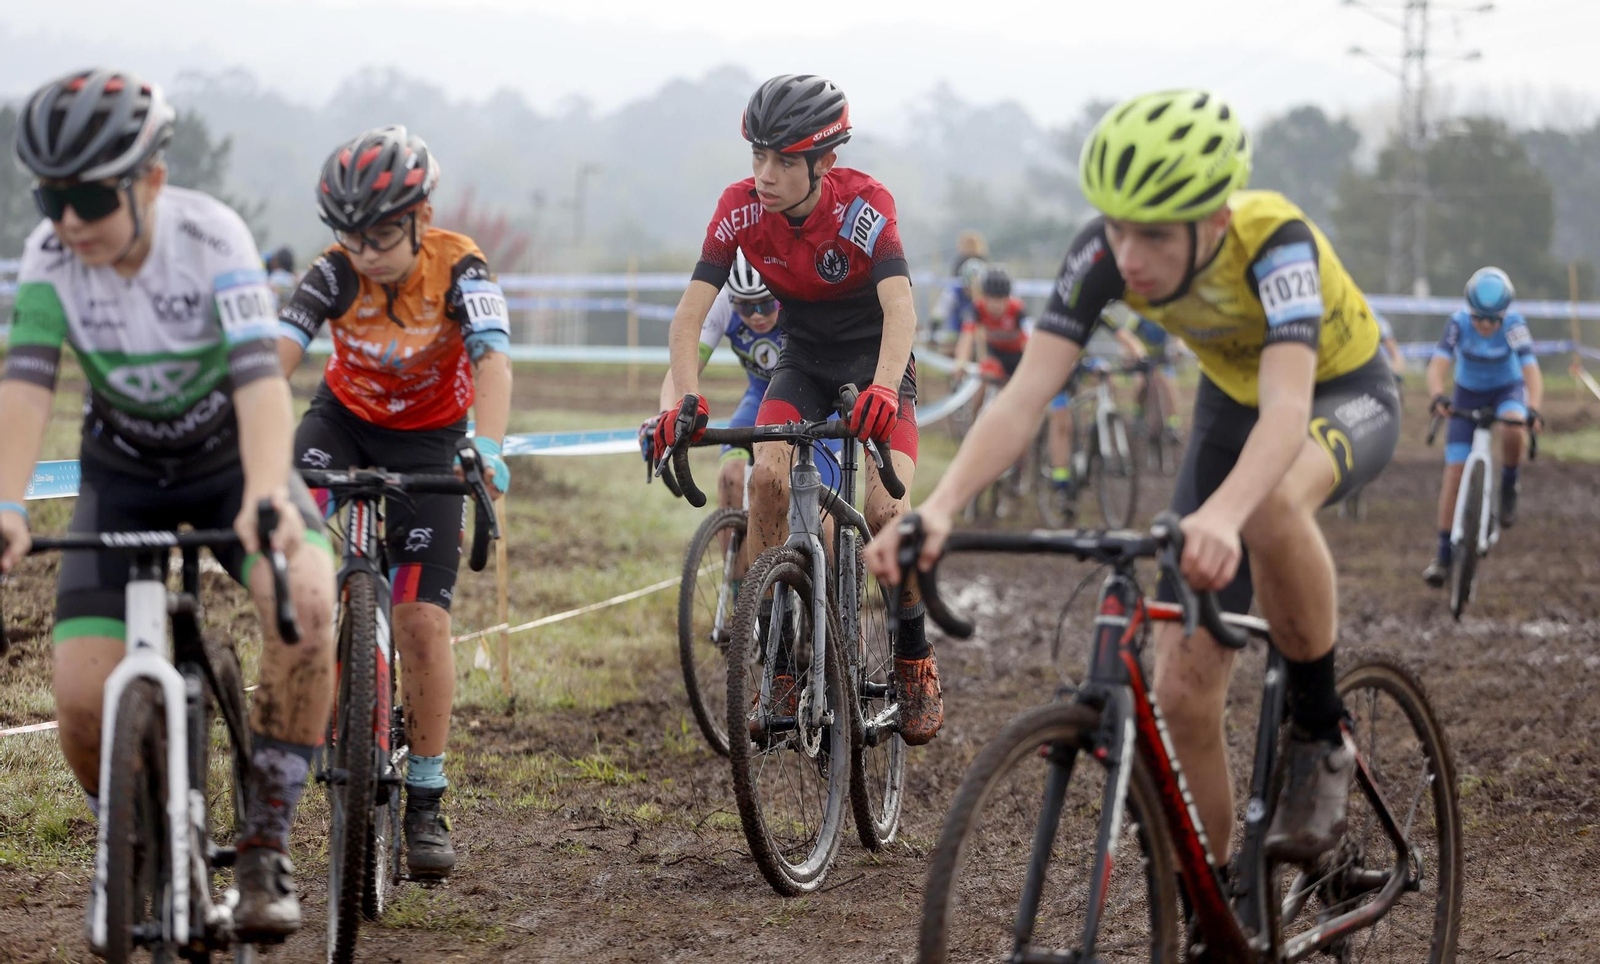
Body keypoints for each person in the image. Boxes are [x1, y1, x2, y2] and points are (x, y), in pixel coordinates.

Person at [866, 90, 1401, 872]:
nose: (1128, 254)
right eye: (1116, 227)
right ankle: (1216, 903)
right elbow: (1025, 396)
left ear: (1214, 221)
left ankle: (1321, 734)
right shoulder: (1101, 252)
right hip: (1231, 401)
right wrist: (941, 507)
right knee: (1181, 695)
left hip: (1340, 392)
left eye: (1153, 233)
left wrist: (1222, 516)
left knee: (1271, 506)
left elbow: (1288, 410)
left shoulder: (1275, 242)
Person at [0, 68, 336, 942]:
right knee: (81, 702)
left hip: (230, 459)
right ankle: (132, 837)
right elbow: (27, 383)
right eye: (49, 199)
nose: (68, 222)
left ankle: (265, 844)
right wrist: (5, 499)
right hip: (123, 473)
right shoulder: (49, 256)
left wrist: (265, 491)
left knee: (307, 603)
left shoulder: (211, 236)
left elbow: (259, 380)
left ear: (149, 180)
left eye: (87, 198)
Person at [643, 74, 942, 745]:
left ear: (824, 161)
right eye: (758, 156)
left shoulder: (865, 205)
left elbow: (901, 308)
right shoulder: (739, 209)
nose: (765, 175)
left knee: (887, 514)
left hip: (877, 362)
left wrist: (883, 388)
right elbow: (689, 318)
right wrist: (685, 397)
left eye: (783, 161)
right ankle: (779, 666)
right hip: (802, 360)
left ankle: (913, 654)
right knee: (766, 482)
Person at [277, 125, 513, 880]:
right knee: (284, 541)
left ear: (422, 218)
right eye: (351, 237)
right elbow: (277, 354)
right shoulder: (332, 270)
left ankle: (426, 798)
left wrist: (489, 446)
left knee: (421, 621)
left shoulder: (460, 265)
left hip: (428, 441)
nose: (366, 253)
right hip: (340, 424)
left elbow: (493, 361)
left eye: (381, 236)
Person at [645, 248, 840, 583]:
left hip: (817, 402)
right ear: (732, 299)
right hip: (759, 399)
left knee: (823, 517)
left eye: (766, 304)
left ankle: (832, 598)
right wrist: (666, 414)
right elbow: (684, 367)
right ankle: (741, 595)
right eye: (745, 307)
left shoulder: (797, 296)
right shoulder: (722, 304)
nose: (757, 315)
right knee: (731, 477)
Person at [1421, 266, 1542, 586]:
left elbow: (1531, 370)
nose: (1485, 325)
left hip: (1507, 390)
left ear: (1503, 315)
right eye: (1479, 318)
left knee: (1514, 427)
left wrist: (1533, 409)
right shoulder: (1458, 323)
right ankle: (1443, 556)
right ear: (1469, 310)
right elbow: (1438, 364)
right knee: (1454, 472)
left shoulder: (1514, 325)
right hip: (1468, 393)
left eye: (1492, 320)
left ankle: (1509, 485)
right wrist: (1437, 395)